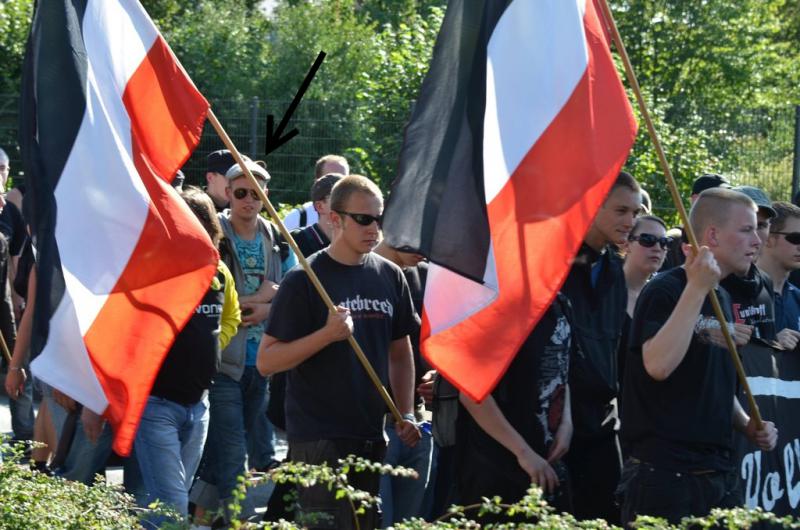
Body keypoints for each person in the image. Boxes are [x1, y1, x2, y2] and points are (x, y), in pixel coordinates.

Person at [259, 175, 420, 530]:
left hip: (371, 432)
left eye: (379, 219)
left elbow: (400, 350)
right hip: (318, 435)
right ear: (335, 218)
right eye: (363, 219)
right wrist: (326, 335)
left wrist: (405, 411)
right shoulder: (304, 280)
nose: (373, 228)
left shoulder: (391, 276)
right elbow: (266, 361)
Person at [619, 188, 778, 525]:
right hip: (665, 475)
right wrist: (696, 289)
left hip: (718, 474)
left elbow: (710, 381)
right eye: (747, 229)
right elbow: (658, 365)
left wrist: (746, 424)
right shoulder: (666, 289)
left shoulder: (721, 292)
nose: (758, 241)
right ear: (712, 235)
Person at [190, 160, 295, 523]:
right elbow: (214, 293)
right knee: (236, 454)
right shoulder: (215, 233)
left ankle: (203, 513)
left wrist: (268, 305)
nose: (249, 200)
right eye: (240, 193)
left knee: (224, 446)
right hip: (224, 359)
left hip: (260, 359)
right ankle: (240, 520)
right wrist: (260, 301)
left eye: (256, 193)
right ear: (228, 195)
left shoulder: (271, 232)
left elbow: (282, 292)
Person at [134, 187, 240, 523]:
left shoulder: (219, 272)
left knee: (163, 504)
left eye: (203, 227)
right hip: (156, 406)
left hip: (199, 405)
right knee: (174, 504)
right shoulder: (156, 271)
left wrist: (210, 348)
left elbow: (231, 317)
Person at [561, 171, 641, 523]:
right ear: (593, 205)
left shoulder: (613, 270)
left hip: (601, 425)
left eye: (636, 213)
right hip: (553, 426)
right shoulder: (553, 262)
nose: (631, 222)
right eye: (622, 211)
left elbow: (620, 349)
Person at [456, 294, 575, 516]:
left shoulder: (561, 303)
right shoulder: (498, 307)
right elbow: (472, 394)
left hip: (549, 465)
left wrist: (567, 423)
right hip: (501, 470)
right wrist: (524, 453)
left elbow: (562, 369)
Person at [374, 241, 433, 525]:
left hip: (416, 423)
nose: (424, 246)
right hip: (370, 428)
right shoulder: (354, 274)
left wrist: (440, 376)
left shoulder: (426, 275)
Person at [718, 185, 777, 343]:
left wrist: (776, 344)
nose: (755, 238)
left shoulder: (765, 281)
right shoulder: (699, 284)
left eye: (762, 226)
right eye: (746, 228)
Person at [619, 215, 671, 392]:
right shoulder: (605, 293)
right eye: (647, 240)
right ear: (626, 244)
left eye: (664, 242)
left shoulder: (666, 297)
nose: (657, 248)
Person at [660, 173, 731, 272]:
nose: (725, 204)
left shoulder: (729, 239)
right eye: (717, 198)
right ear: (695, 199)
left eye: (727, 199)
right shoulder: (673, 240)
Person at [756, 201, 800, 348]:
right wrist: (770, 342)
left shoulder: (796, 296)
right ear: (768, 238)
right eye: (795, 238)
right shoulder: (740, 292)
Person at [282, 154, 349, 231]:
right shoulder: (297, 219)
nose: (337, 185)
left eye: (342, 180)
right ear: (316, 182)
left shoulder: (358, 219)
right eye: (330, 179)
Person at [290, 173, 344, 257]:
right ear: (320, 206)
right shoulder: (295, 241)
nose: (349, 204)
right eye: (339, 198)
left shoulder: (353, 242)